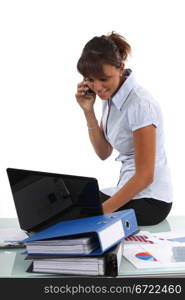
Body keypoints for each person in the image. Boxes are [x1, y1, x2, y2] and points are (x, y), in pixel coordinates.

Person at [75, 32, 172, 226]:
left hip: (152, 201)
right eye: (91, 80)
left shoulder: (140, 104)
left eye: (103, 79)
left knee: (78, 212)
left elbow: (145, 176)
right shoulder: (110, 97)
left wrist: (101, 213)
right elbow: (104, 152)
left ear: (120, 68)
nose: (98, 87)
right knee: (72, 203)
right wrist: (88, 111)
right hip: (130, 190)